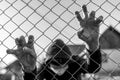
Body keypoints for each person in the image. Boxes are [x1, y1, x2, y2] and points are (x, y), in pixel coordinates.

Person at [37, 5, 103, 80]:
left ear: (69, 60)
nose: (60, 69)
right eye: (56, 66)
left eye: (64, 65)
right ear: (48, 64)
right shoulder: (44, 67)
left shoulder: (75, 62)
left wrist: (92, 47)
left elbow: (93, 68)